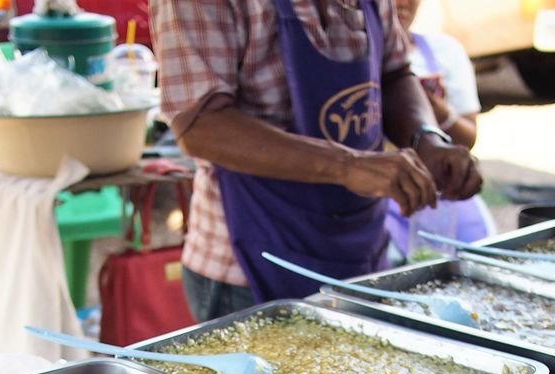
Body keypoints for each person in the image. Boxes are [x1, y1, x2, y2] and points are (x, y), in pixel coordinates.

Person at [151, 0, 484, 321]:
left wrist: (426, 139)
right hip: (247, 265)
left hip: (361, 250)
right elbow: (200, 124)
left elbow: (395, 73)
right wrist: (347, 165)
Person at [385, 0, 494, 258]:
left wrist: (434, 110)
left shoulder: (445, 51)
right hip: (384, 200)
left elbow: (467, 137)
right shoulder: (358, 63)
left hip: (441, 199)